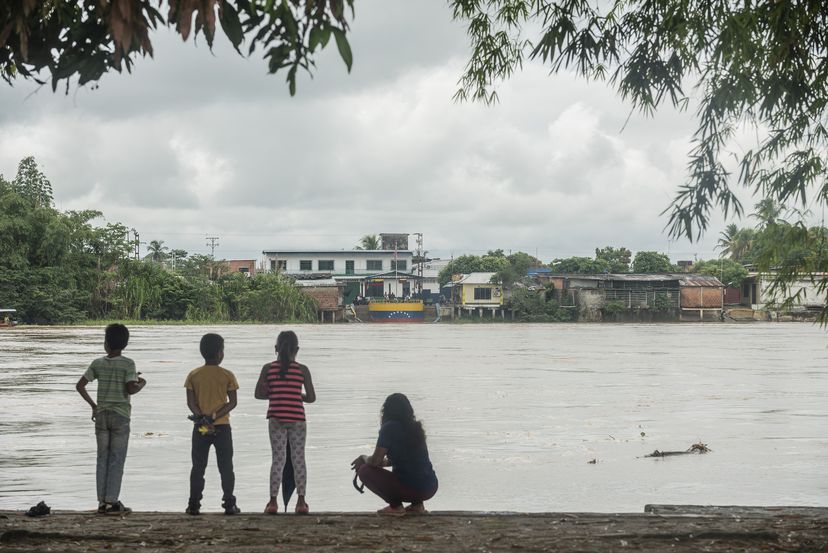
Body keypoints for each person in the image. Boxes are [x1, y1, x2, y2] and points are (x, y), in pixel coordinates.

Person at [76, 323, 146, 515]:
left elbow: (80, 386)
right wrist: (142, 383)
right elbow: (131, 388)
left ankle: (101, 502)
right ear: (125, 344)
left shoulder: (97, 363)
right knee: (117, 459)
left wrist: (93, 405)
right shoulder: (128, 363)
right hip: (120, 416)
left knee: (102, 458)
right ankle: (111, 501)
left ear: (106, 344)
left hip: (101, 416)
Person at [255, 330, 316, 515]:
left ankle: (273, 502)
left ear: (276, 349)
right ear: (297, 349)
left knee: (278, 460)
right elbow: (312, 398)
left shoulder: (268, 368)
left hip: (276, 418)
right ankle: (301, 502)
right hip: (297, 418)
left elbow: (258, 394)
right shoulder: (302, 370)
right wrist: (298, 395)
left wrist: (274, 394)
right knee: (299, 460)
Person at [351, 393, 438, 516]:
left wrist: (363, 458)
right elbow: (407, 459)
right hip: (430, 487)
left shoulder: (389, 428)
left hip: (410, 489)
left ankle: (396, 506)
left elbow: (375, 461)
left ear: (386, 411)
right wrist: (383, 463)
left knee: (365, 470)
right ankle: (417, 505)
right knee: (414, 473)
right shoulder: (415, 428)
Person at [184, 333, 240, 515]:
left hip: (201, 426)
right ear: (220, 353)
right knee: (226, 466)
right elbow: (232, 402)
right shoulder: (227, 375)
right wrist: (215, 416)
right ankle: (229, 503)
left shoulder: (193, 375)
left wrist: (202, 417)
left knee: (198, 466)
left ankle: (194, 504)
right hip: (221, 426)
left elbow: (190, 403)